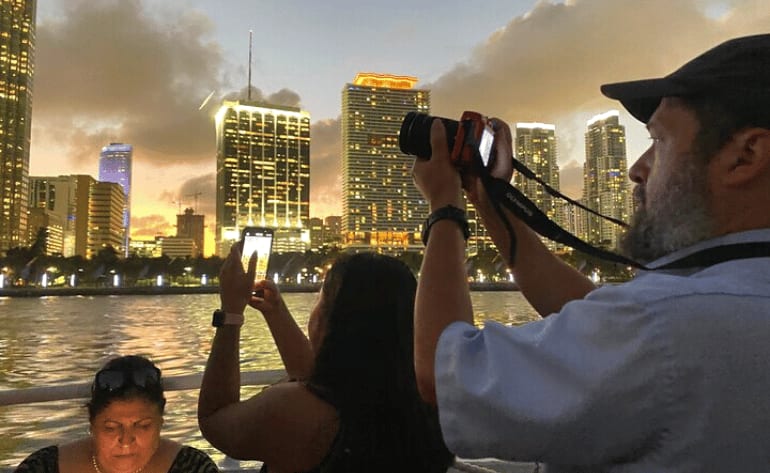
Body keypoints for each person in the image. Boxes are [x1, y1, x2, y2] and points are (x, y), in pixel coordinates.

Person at [412, 33, 770, 471]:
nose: (639, 170)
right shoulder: (714, 300)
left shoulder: (668, 324)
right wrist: (489, 201)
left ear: (746, 155)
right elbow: (598, 312)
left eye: (659, 142)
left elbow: (441, 372)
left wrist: (445, 208)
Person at [198, 248, 453, 473]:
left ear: (338, 322)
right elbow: (317, 376)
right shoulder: (430, 402)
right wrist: (275, 312)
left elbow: (215, 418)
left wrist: (231, 314)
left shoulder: (292, 410)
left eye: (320, 299)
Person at [14, 355, 219, 473]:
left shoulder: (192, 468)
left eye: (143, 425)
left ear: (160, 422)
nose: (126, 440)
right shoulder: (43, 468)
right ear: (92, 424)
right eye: (111, 427)